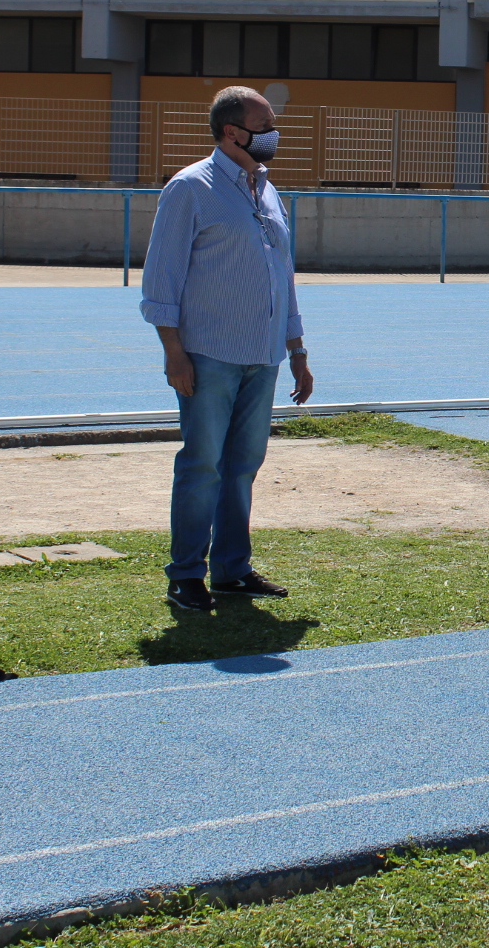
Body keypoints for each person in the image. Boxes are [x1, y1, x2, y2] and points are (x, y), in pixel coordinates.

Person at [140, 86, 314, 613]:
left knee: (243, 466)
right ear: (232, 132)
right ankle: (185, 575)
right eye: (265, 127)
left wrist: (297, 349)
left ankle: (232, 570)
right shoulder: (189, 188)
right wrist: (174, 353)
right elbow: (161, 278)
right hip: (209, 354)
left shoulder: (267, 191)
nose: (274, 135)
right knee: (203, 466)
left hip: (264, 355)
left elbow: (282, 273)